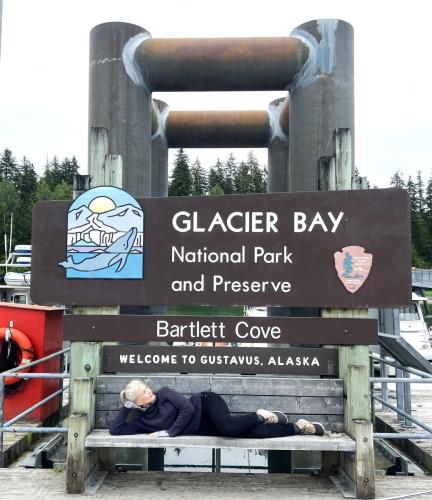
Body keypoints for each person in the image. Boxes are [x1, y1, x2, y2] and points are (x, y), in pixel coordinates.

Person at [110, 379, 325, 438]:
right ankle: (299, 428)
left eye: (147, 388)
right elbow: (116, 430)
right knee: (254, 434)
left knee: (228, 428)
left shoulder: (164, 393)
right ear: (139, 404)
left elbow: (187, 409)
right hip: (204, 428)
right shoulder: (142, 421)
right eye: (145, 394)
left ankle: (259, 415)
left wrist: (168, 433)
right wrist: (125, 407)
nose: (150, 392)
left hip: (206, 404)